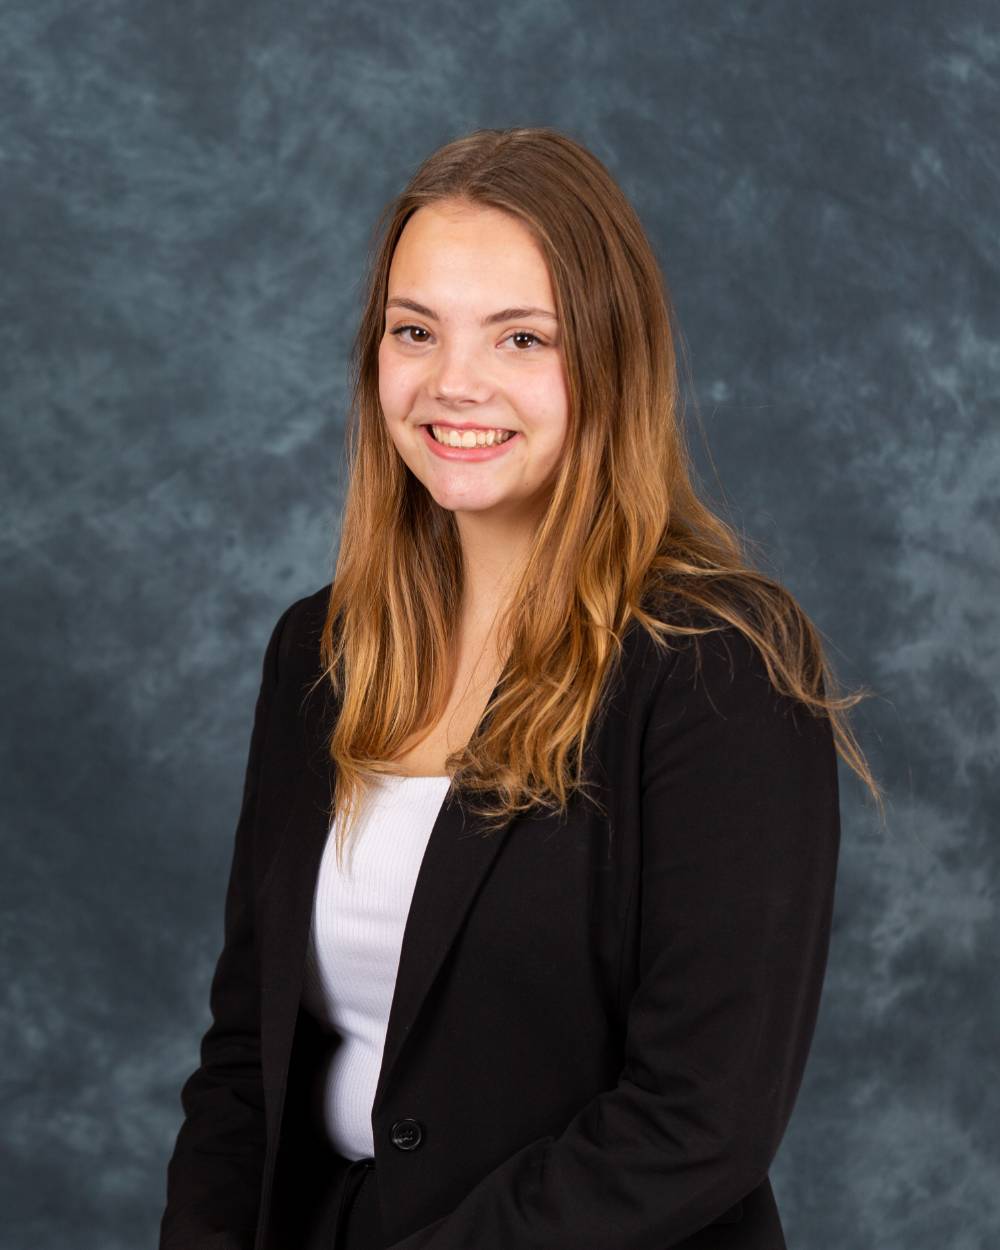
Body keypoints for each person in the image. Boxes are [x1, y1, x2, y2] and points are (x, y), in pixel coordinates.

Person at [158, 126, 882, 1250]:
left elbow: (697, 1119)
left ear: (607, 359)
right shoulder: (319, 650)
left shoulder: (718, 664)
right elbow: (245, 1059)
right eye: (415, 330)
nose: (455, 382)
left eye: (520, 336)